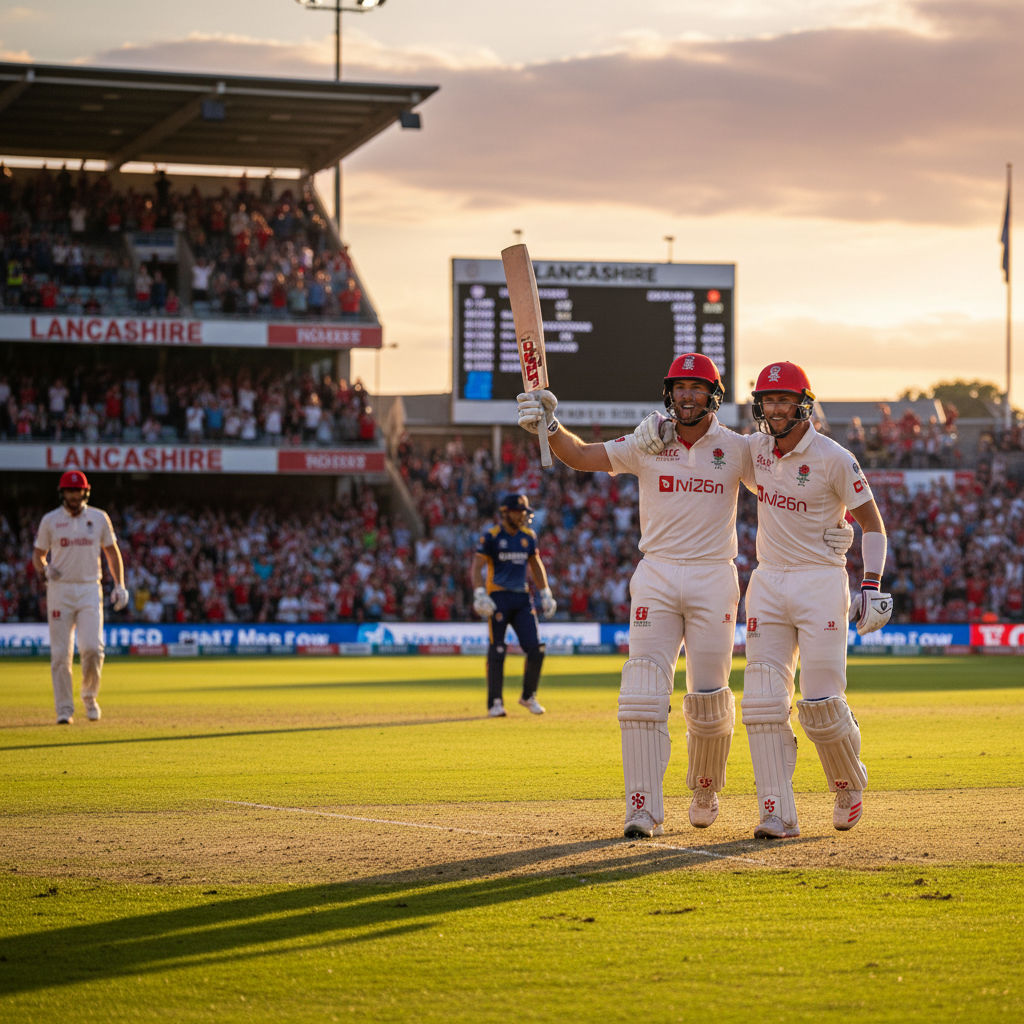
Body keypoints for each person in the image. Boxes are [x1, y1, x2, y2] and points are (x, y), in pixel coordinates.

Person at [517, 354, 854, 838]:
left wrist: (834, 527)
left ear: (713, 395)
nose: (688, 396)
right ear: (669, 394)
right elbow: (581, 455)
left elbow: (795, 484)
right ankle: (642, 809)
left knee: (708, 700)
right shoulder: (647, 441)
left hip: (713, 578)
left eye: (698, 388)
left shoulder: (740, 449)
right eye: (680, 388)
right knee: (640, 692)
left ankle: (705, 785)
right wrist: (550, 425)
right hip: (655, 573)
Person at [741, 361, 891, 838]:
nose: (776, 408)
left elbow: (872, 523)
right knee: (764, 703)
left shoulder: (834, 457)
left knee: (822, 704)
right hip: (767, 582)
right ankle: (777, 812)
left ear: (803, 403)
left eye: (784, 399)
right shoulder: (755, 450)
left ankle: (848, 784)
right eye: (768, 399)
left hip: (821, 583)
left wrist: (871, 583)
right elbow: (706, 444)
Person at [31, 471, 129, 724]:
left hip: (89, 589)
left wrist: (120, 584)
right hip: (59, 590)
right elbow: (38, 554)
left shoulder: (98, 518)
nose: (73, 495)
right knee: (60, 654)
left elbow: (111, 551)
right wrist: (44, 568)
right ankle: (64, 709)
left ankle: (89, 697)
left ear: (85, 492)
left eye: (78, 491)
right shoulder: (50, 520)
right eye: (69, 491)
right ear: (62, 492)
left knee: (92, 650)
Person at [471, 493, 557, 718]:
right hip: (498, 598)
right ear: (505, 512)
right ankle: (495, 703)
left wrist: (545, 592)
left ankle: (528, 696)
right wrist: (480, 592)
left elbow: (536, 565)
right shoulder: (491, 536)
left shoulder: (528, 537)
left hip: (522, 598)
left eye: (524, 512)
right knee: (497, 650)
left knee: (536, 649)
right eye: (518, 512)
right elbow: (476, 567)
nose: (522, 516)